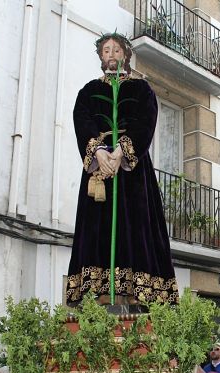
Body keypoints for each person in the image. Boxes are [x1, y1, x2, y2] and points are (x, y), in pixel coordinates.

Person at [65, 32, 177, 306]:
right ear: (101, 57)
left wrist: (121, 152)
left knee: (136, 228)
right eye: (106, 50)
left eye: (116, 50)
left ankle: (136, 294)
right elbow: (82, 120)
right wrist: (100, 152)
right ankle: (98, 295)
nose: (111, 54)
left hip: (133, 173)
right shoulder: (88, 91)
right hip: (98, 171)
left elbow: (146, 122)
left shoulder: (142, 90)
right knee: (96, 229)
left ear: (125, 55)